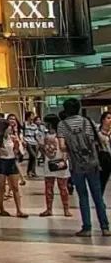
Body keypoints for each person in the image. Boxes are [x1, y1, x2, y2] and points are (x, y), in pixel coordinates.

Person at [57, 98, 109, 237]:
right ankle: (105, 227)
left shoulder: (62, 125)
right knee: (97, 196)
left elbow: (62, 146)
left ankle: (87, 228)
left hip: (76, 165)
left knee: (83, 196)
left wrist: (71, 147)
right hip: (92, 163)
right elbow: (99, 140)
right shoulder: (88, 121)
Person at [36, 114, 71, 218]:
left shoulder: (62, 133)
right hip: (49, 161)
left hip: (60, 161)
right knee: (48, 187)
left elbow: (66, 148)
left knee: (63, 187)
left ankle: (66, 209)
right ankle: (49, 209)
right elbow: (41, 147)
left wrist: (64, 159)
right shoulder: (44, 134)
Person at [0, 117, 27, 218]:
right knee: (2, 187)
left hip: (11, 161)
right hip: (2, 162)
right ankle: (1, 209)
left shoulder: (12, 137)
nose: (10, 128)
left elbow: (16, 152)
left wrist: (17, 145)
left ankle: (19, 210)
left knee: (15, 187)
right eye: (8, 127)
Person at [22, 111, 45, 179]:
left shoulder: (34, 125)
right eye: (32, 115)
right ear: (28, 116)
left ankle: (31, 172)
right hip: (28, 142)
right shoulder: (24, 124)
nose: (33, 116)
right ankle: (32, 172)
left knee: (32, 158)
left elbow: (36, 135)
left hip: (34, 143)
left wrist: (39, 142)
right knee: (34, 156)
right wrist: (23, 140)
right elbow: (22, 133)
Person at [98, 112, 111, 195]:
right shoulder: (98, 133)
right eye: (108, 118)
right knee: (102, 182)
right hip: (104, 160)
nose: (110, 120)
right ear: (103, 120)